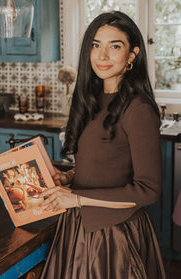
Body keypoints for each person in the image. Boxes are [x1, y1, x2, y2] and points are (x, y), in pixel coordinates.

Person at [39, 11, 166, 279]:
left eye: (114, 46)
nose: (102, 56)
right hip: (78, 224)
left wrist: (74, 198)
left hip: (114, 234)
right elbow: (107, 162)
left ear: (132, 55)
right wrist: (70, 176)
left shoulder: (138, 108)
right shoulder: (91, 99)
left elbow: (148, 190)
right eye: (96, 45)